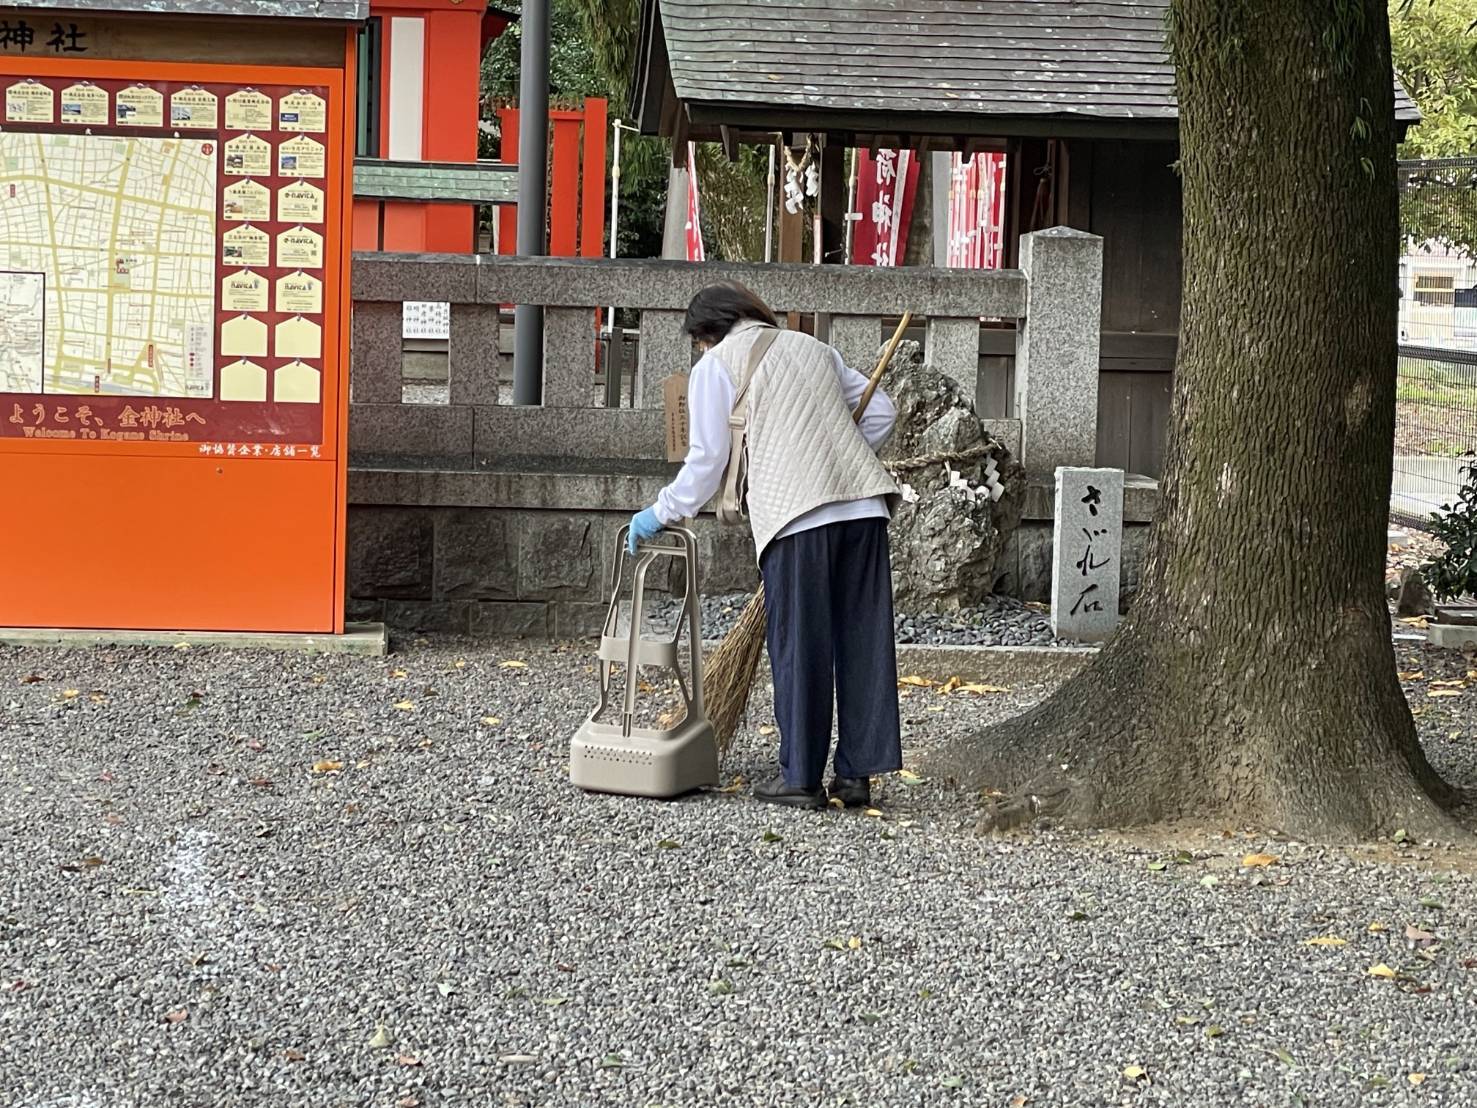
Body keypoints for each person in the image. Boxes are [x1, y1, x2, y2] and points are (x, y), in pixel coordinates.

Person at [628, 282, 903, 811]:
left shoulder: (716, 366)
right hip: (864, 509)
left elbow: (708, 460)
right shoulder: (814, 347)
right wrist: (834, 454)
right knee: (862, 642)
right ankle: (856, 776)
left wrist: (660, 512)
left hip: (799, 518)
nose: (700, 350)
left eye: (698, 341)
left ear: (708, 332)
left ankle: (800, 776)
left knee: (800, 643)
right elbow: (882, 412)